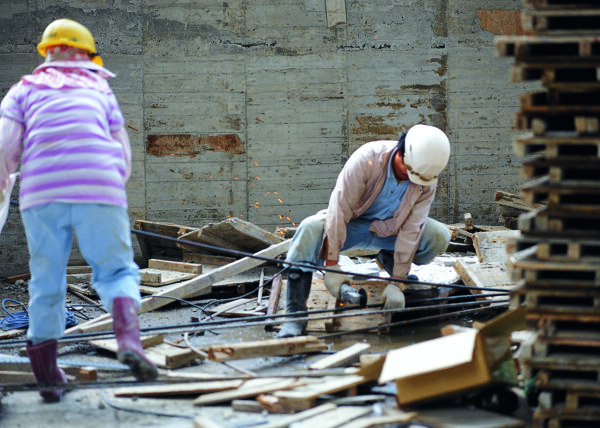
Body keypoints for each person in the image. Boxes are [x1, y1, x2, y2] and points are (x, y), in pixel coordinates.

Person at [0, 18, 157, 402]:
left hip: (42, 195)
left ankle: (48, 378)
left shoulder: (22, 91)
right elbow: (122, 151)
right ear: (87, 54)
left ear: (46, 53)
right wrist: (108, 189)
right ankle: (129, 341)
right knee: (116, 268)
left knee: (46, 280)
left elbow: (5, 150)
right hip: (99, 188)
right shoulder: (100, 89)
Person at [278, 124, 452, 338]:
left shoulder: (426, 177)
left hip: (391, 231)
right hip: (354, 225)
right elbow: (339, 211)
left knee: (438, 236)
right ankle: (295, 316)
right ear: (401, 152)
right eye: (409, 171)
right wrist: (332, 267)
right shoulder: (367, 159)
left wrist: (398, 282)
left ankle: (388, 258)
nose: (411, 178)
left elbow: (412, 228)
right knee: (309, 229)